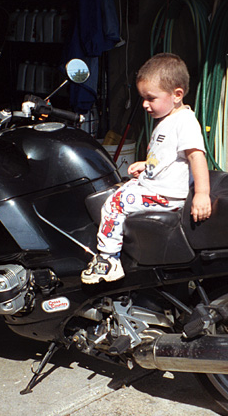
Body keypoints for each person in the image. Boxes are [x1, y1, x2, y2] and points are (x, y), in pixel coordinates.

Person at [81, 53, 211, 284]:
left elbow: (196, 156)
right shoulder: (169, 118)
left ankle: (108, 259)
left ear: (177, 95)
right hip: (157, 187)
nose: (144, 104)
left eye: (151, 98)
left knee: (114, 203)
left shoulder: (184, 122)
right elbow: (170, 156)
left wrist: (202, 194)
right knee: (118, 189)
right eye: (143, 98)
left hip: (166, 196)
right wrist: (147, 165)